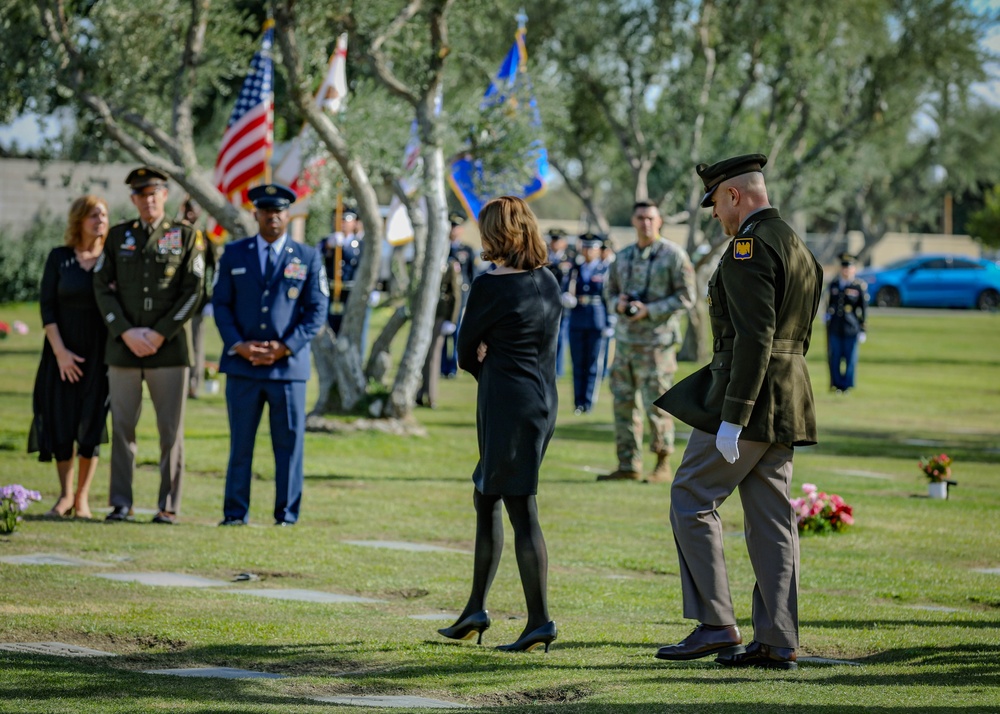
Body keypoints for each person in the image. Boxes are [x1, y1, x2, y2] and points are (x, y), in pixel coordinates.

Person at [653, 154, 823, 670]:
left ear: (733, 195)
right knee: (772, 519)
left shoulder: (748, 247)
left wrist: (734, 415)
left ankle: (714, 623)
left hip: (748, 398)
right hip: (787, 395)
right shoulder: (797, 245)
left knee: (690, 496)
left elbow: (754, 337)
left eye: (714, 204)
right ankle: (777, 639)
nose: (714, 216)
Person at [438, 196, 561, 653]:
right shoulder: (548, 280)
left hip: (508, 404)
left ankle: (539, 621)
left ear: (496, 235)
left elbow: (465, 351)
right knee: (485, 493)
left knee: (520, 508)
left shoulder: (490, 286)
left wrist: (485, 351)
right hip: (542, 401)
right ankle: (474, 608)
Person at [93, 167, 205, 525]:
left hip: (168, 351)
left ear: (165, 195)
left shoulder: (186, 236)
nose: (148, 200)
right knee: (123, 428)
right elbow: (100, 285)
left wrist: (160, 333)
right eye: (141, 194)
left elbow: (195, 290)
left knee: (170, 433)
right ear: (133, 200)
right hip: (124, 349)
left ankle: (168, 505)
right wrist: (125, 332)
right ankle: (121, 503)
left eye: (154, 193)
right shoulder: (117, 236)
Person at [212, 184, 329, 526]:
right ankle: (235, 514)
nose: (273, 216)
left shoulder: (307, 257)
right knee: (241, 445)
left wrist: (285, 347)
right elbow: (220, 305)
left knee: (289, 447)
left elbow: (316, 309)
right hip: (242, 366)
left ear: (287, 214)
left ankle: (287, 516)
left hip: (288, 369)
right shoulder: (234, 254)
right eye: (266, 211)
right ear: (256, 215)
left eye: (279, 211)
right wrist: (239, 345)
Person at [598, 201, 695, 484]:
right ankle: (628, 463)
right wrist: (619, 304)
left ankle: (662, 462)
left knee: (658, 405)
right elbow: (609, 291)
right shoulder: (624, 256)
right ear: (633, 220)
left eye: (651, 218)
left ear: (660, 221)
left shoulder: (673, 255)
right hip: (626, 342)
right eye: (640, 218)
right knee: (623, 403)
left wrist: (649, 310)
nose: (646, 223)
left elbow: (686, 297)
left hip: (657, 345)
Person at [28, 195, 111, 519]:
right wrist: (61, 353)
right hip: (61, 355)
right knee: (62, 424)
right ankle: (63, 496)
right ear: (79, 220)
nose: (99, 220)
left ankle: (82, 499)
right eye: (93, 215)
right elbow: (47, 306)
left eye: (103, 215)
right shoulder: (59, 258)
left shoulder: (111, 260)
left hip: (100, 357)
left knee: (91, 425)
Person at [562, 234, 612, 414]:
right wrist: (566, 297)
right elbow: (566, 289)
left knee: (592, 364)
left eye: (592, 247)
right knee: (577, 363)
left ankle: (589, 401)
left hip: (596, 320)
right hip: (577, 319)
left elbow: (608, 297)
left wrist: (609, 321)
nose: (588, 251)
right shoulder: (575, 269)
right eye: (585, 247)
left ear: (599, 249)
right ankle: (578, 402)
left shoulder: (604, 269)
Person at [179, 198, 223, 399]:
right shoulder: (175, 234)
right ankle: (177, 382)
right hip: (175, 300)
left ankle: (193, 385)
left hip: (197, 301)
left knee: (196, 345)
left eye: (193, 210)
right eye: (187, 209)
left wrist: (210, 296)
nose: (190, 213)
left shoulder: (205, 237)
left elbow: (215, 267)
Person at [417, 256, 462, 408]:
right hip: (426, 313)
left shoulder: (450, 264)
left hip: (440, 315)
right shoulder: (428, 260)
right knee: (422, 354)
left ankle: (431, 396)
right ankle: (419, 392)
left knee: (433, 356)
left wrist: (452, 320)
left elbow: (455, 293)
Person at [825, 253, 868, 393]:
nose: (846, 270)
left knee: (850, 359)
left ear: (854, 269)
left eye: (849, 268)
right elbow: (828, 304)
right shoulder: (834, 284)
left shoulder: (858, 286)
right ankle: (836, 385)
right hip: (835, 327)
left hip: (851, 328)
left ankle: (847, 385)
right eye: (844, 267)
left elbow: (863, 310)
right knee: (835, 357)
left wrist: (863, 329)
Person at [441, 212, 474, 378]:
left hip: (461, 297)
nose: (454, 230)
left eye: (457, 226)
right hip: (443, 299)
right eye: (451, 226)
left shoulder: (466, 250)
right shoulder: (441, 248)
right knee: (440, 334)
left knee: (457, 333)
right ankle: (441, 367)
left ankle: (453, 367)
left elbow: (471, 276)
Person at [545, 228, 575, 379]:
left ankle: (558, 368)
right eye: (553, 240)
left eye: (558, 240)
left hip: (562, 303)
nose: (555, 243)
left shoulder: (570, 259)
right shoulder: (544, 257)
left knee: (561, 336)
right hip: (546, 303)